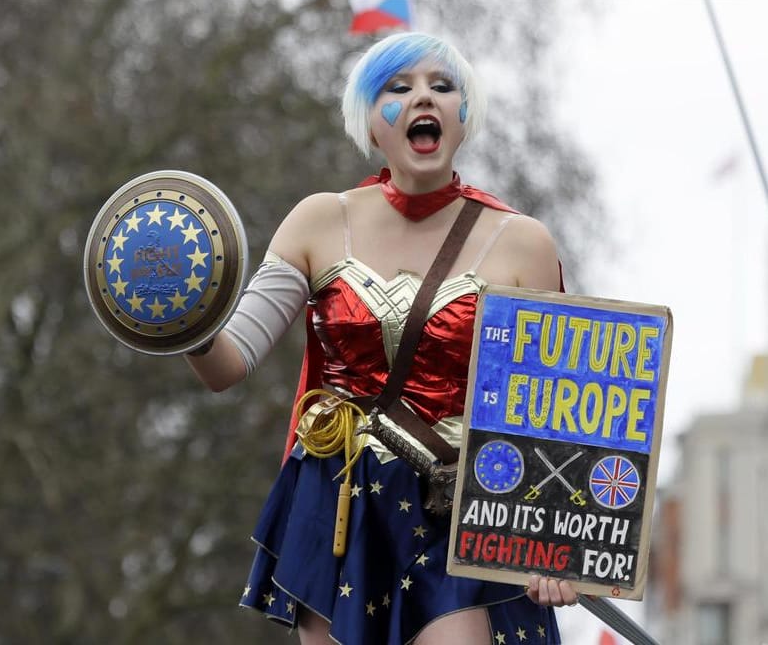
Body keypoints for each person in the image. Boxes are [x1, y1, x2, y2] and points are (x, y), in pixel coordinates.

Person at [179, 32, 579, 642]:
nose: (424, 98)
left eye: (443, 87)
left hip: (464, 507)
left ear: (463, 118)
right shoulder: (318, 220)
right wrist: (186, 319)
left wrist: (556, 546)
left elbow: (555, 413)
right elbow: (227, 363)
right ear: (370, 123)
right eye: (399, 87)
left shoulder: (523, 241)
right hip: (340, 503)